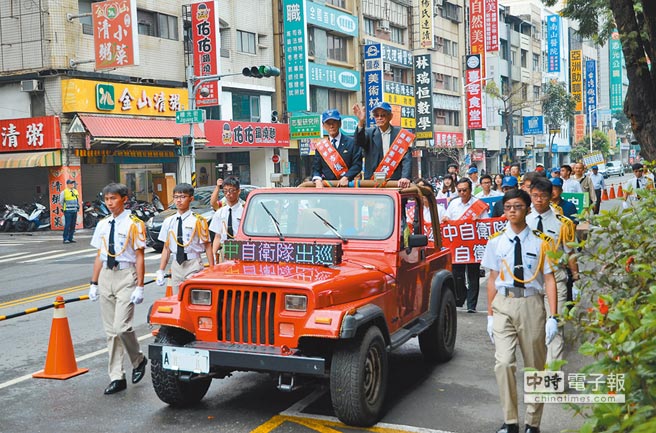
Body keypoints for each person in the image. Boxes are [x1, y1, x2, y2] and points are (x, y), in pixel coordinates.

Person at [481, 188, 558, 433]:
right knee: (503, 363)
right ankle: (510, 421)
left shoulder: (541, 242)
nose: (512, 211)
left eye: (517, 206)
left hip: (531, 304)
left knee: (535, 366)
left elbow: (549, 279)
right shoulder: (496, 241)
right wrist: (490, 316)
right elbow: (492, 279)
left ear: (527, 209)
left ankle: (532, 423)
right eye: (507, 207)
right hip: (503, 304)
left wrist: (553, 316)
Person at [87, 183, 148, 395]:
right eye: (106, 199)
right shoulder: (103, 224)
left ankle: (138, 359)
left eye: (113, 198)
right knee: (111, 332)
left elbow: (139, 256)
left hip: (125, 275)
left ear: (124, 199)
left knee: (122, 327)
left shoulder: (134, 224)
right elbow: (99, 256)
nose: (110, 203)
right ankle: (117, 376)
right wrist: (93, 283)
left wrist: (140, 286)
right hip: (106, 275)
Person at [527, 177, 578, 363]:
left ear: (551, 196)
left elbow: (570, 251)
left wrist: (576, 278)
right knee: (534, 330)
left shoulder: (563, 223)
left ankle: (553, 378)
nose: (539, 200)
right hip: (530, 281)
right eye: (535, 196)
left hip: (556, 280)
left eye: (543, 196)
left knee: (556, 327)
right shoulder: (522, 220)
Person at [156, 183, 215, 293]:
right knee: (178, 298)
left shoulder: (198, 220)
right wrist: (161, 270)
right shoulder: (168, 221)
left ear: (191, 198)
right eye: (176, 197)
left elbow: (207, 246)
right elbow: (166, 248)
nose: (179, 200)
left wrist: (212, 269)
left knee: (193, 297)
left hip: (193, 263)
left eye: (183, 197)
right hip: (176, 265)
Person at [443, 178, 488, 312]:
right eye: (459, 190)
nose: (462, 193)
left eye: (465, 190)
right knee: (457, 275)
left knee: (473, 275)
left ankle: (471, 305)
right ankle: (462, 296)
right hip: (458, 247)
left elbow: (485, 224)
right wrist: (446, 220)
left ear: (470, 190)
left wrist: (478, 220)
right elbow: (446, 219)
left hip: (472, 246)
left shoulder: (478, 205)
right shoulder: (453, 204)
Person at [352, 101, 412, 187]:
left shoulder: (400, 134)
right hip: (373, 182)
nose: (379, 118)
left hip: (396, 183)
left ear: (390, 116)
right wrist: (361, 122)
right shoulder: (369, 133)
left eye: (383, 115)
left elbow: (406, 158)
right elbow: (358, 142)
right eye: (376, 115)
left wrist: (405, 177)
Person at [312, 109, 363, 187]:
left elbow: (357, 165)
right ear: (323, 126)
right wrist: (317, 180)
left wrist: (347, 177)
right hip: (328, 189)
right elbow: (316, 169)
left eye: (334, 123)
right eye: (328, 123)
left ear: (340, 123)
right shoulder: (320, 146)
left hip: (348, 187)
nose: (331, 126)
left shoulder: (352, 142)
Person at [209, 177, 244, 261]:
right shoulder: (220, 212)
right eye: (225, 191)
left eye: (231, 191)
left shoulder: (245, 210)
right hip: (225, 248)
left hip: (242, 247)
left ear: (239, 191)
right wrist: (213, 255)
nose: (228, 194)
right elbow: (217, 236)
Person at [60, 179, 80, 244]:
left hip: (74, 210)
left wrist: (77, 207)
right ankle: (65, 238)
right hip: (68, 211)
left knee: (73, 225)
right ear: (67, 184)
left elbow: (77, 200)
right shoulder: (64, 192)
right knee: (67, 224)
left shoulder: (75, 191)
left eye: (73, 184)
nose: (72, 185)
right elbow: (61, 201)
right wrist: (64, 208)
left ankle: (70, 238)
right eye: (71, 183)